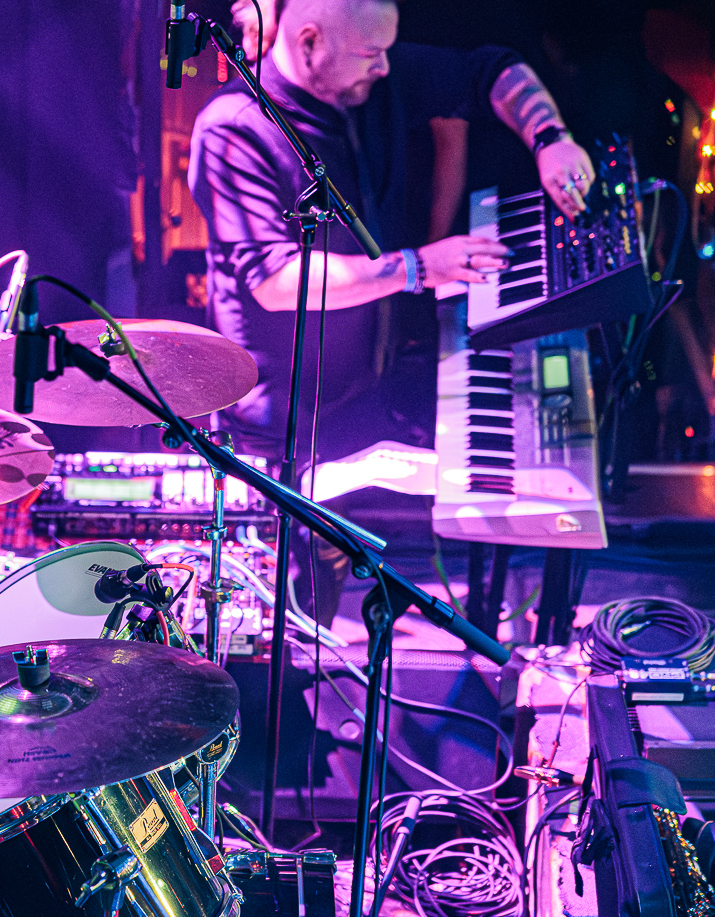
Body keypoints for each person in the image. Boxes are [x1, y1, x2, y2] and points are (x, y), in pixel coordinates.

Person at [190, 0, 594, 618]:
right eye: (370, 54)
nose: (385, 67)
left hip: (354, 394)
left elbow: (492, 70)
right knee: (279, 611)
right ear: (308, 42)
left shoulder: (367, 79)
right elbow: (276, 280)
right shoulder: (235, 128)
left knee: (327, 592)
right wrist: (419, 267)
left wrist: (550, 140)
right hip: (275, 423)